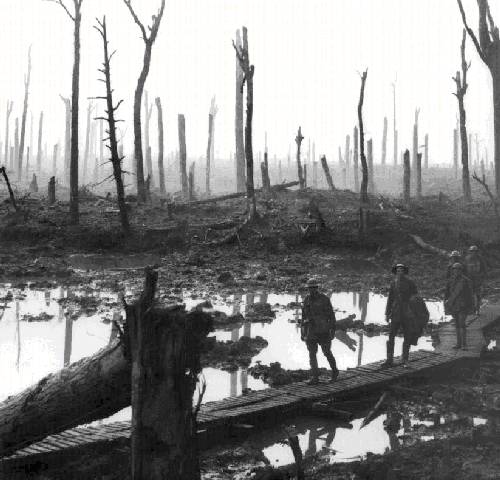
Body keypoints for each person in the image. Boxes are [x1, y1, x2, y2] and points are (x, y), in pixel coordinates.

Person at [301, 278, 339, 385]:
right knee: (312, 354)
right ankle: (315, 377)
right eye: (310, 288)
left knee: (327, 352)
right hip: (311, 331)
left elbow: (331, 316)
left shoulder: (324, 299)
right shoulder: (307, 300)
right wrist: (302, 332)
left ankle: (335, 372)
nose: (312, 290)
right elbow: (303, 317)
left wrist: (332, 330)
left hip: (323, 330)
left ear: (317, 288)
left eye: (314, 287)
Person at [383, 264, 418, 367]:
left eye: (401, 270)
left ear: (404, 272)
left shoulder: (410, 283)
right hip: (395, 313)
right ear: (396, 272)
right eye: (398, 271)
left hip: (407, 312)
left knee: (407, 336)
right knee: (391, 336)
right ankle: (389, 359)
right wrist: (387, 313)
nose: (399, 272)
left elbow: (416, 296)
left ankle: (405, 360)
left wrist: (412, 307)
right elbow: (390, 299)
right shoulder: (393, 283)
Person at [444, 262, 474, 350]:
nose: (456, 271)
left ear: (461, 270)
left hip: (463, 305)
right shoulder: (450, 280)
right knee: (457, 324)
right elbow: (446, 294)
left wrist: (471, 306)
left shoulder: (466, 280)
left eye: (458, 269)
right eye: (454, 269)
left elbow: (470, 294)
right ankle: (458, 344)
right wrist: (446, 304)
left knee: (462, 323)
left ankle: (464, 345)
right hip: (453, 305)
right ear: (452, 270)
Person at [464, 245, 487, 314]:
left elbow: (484, 269)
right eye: (472, 251)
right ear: (470, 252)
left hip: (478, 279)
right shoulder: (466, 259)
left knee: (478, 295)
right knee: (470, 294)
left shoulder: (480, 259)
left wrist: (481, 276)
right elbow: (464, 269)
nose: (474, 253)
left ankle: (477, 309)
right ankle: (471, 309)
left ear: (477, 252)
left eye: (475, 251)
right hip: (469, 279)